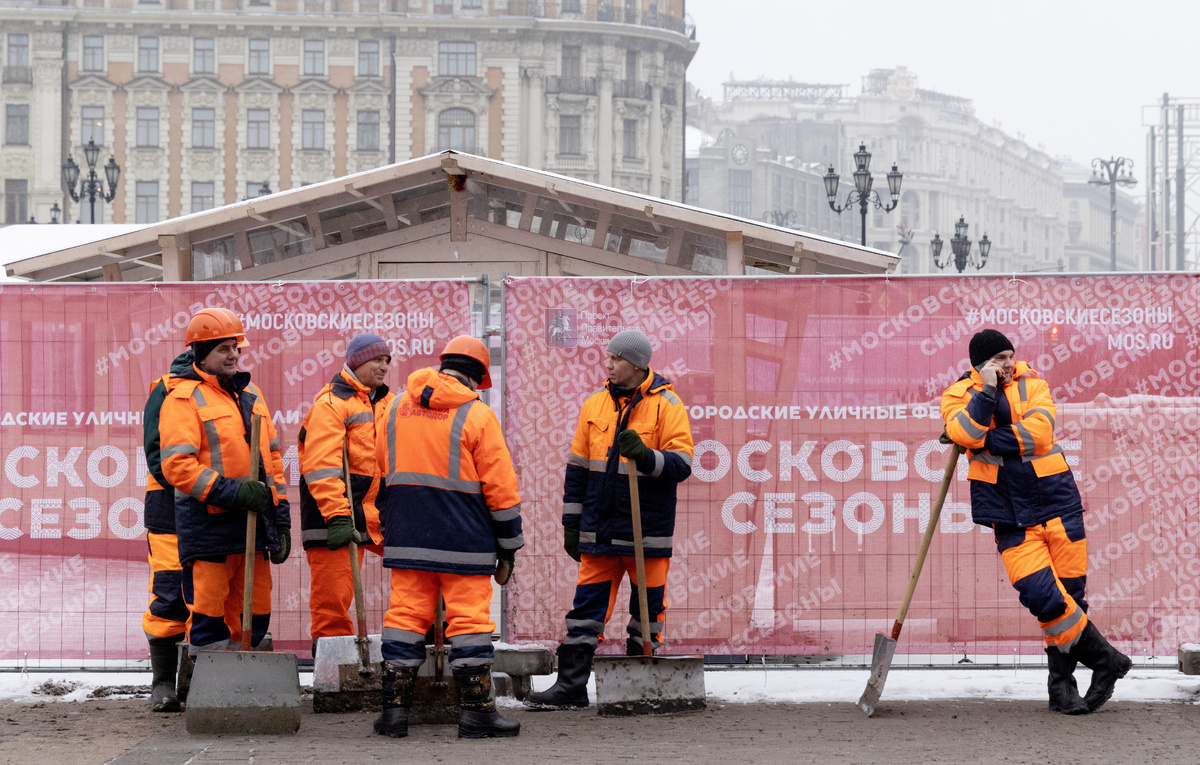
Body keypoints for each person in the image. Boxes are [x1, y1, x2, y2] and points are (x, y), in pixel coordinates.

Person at [941, 329, 1131, 715]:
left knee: (1070, 599)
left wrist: (984, 441)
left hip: (1058, 503)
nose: (1009, 364)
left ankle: (1062, 689)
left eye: (1011, 356)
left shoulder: (1034, 384)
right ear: (981, 365)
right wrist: (986, 393)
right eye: (1000, 359)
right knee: (1043, 596)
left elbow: (1039, 434)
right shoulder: (959, 394)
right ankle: (1107, 660)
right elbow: (963, 431)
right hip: (1008, 515)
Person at [525, 329, 694, 711]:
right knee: (585, 611)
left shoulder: (667, 405)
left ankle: (640, 683)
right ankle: (570, 687)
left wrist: (647, 456)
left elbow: (682, 464)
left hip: (646, 533)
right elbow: (578, 471)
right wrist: (572, 524)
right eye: (609, 357)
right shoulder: (594, 405)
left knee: (647, 613)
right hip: (599, 532)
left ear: (636, 364)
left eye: (616, 359)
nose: (609, 365)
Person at [373, 335, 522, 740]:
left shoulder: (395, 408)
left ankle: (393, 714)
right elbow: (501, 488)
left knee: (404, 619)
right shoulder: (477, 415)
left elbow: (383, 470)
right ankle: (477, 714)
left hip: (407, 536)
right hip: (464, 540)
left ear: (444, 365)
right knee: (469, 622)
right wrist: (509, 545)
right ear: (477, 377)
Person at [159, 307, 292, 655]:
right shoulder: (183, 399)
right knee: (209, 617)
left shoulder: (251, 395)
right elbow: (177, 466)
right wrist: (235, 493)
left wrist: (280, 519)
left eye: (236, 348)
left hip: (254, 526)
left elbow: (273, 461)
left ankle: (247, 680)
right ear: (201, 354)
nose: (234, 355)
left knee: (255, 613)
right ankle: (212, 684)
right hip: (210, 530)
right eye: (224, 349)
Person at [299, 333, 394, 658]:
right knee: (333, 601)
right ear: (357, 361)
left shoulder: (388, 404)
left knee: (419, 575)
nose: (384, 366)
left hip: (375, 512)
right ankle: (334, 671)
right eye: (377, 359)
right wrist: (338, 516)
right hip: (332, 516)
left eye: (387, 361)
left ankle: (413, 652)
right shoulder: (330, 404)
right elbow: (321, 468)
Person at [140, 348, 196, 713]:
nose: (232, 357)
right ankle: (162, 682)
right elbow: (156, 454)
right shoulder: (166, 389)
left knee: (208, 598)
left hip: (216, 508)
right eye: (223, 349)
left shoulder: (235, 392)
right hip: (170, 507)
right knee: (170, 591)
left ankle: (195, 680)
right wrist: (196, 487)